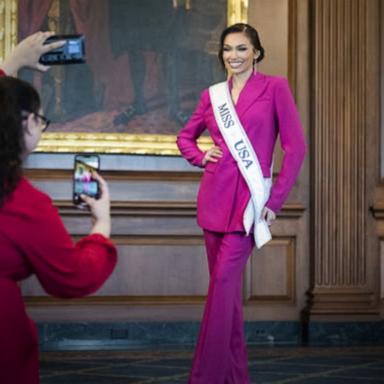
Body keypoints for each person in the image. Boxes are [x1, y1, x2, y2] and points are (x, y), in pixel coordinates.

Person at [176, 23, 307, 383]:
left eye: (242, 49)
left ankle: (205, 378)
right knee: (227, 298)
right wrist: (202, 156)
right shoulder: (212, 95)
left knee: (220, 291)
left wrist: (276, 200)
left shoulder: (275, 88)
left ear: (257, 53)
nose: (233, 56)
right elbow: (185, 138)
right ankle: (236, 378)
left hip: (250, 205)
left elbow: (296, 149)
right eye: (228, 49)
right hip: (213, 203)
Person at [0, 31, 118, 384]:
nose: (41, 124)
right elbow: (73, 277)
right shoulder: (23, 202)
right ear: (24, 123)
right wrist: (102, 224)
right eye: (40, 118)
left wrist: (12, 63)